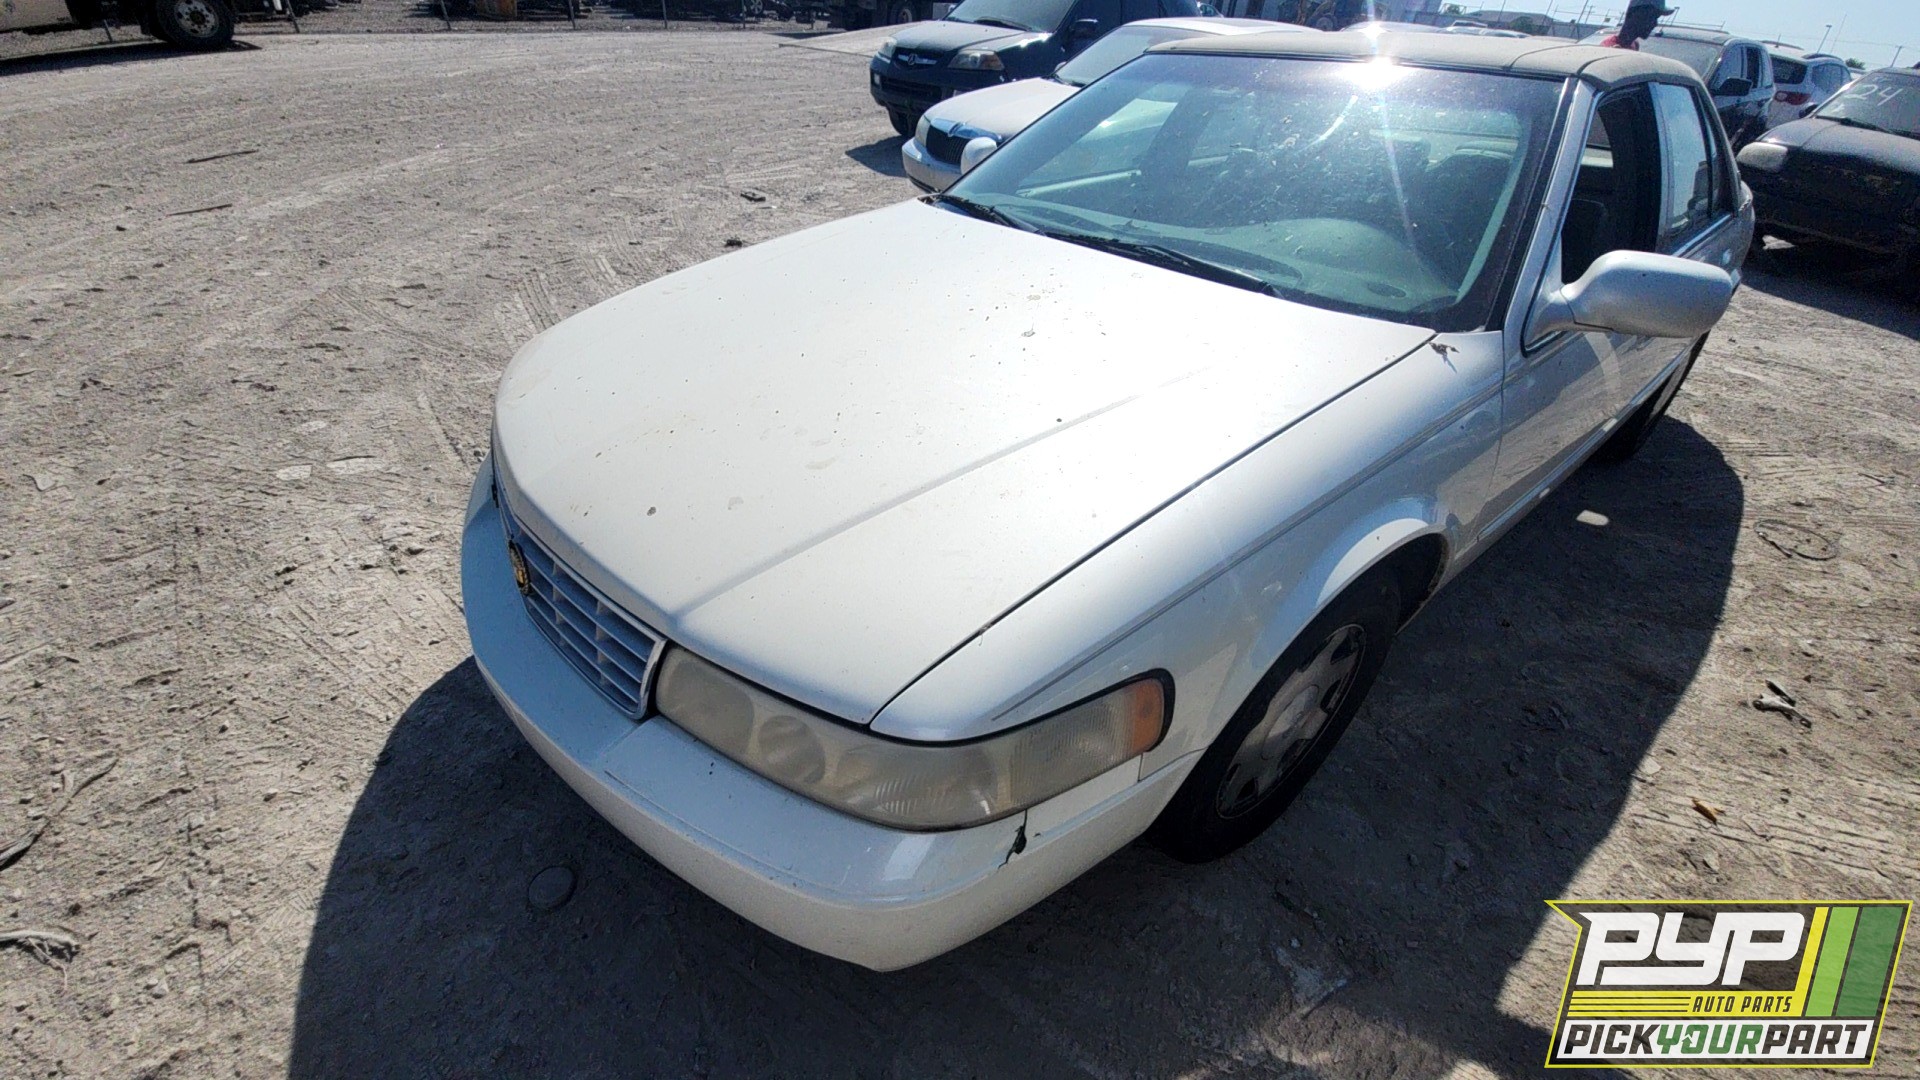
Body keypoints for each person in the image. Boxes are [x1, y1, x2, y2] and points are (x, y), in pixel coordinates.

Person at [1601, 0, 1674, 50]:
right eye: (1652, 17)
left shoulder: (1634, 45)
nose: (1655, 24)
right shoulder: (1610, 47)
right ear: (1636, 16)